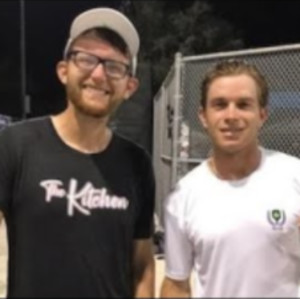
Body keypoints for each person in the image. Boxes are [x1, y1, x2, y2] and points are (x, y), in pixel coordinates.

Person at [0, 7, 155, 298]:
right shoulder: (15, 146)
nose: (98, 74)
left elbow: (143, 265)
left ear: (129, 86)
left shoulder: (137, 163)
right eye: (85, 59)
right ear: (63, 70)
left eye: (114, 66)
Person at [160, 59, 300, 298]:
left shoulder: (294, 176)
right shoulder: (182, 196)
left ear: (262, 115)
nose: (231, 115)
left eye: (244, 104)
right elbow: (176, 284)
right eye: (220, 105)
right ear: (204, 116)